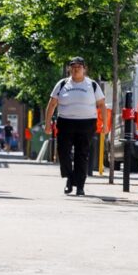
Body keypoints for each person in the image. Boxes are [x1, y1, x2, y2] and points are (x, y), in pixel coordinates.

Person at [44, 57, 105, 196]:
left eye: (79, 66)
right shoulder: (62, 84)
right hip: (66, 122)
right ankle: (70, 178)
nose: (76, 68)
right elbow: (52, 104)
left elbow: (101, 105)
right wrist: (48, 124)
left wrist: (105, 125)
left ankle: (80, 186)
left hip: (87, 123)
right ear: (69, 69)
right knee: (63, 152)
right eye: (73, 66)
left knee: (81, 155)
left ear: (85, 69)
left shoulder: (92, 85)